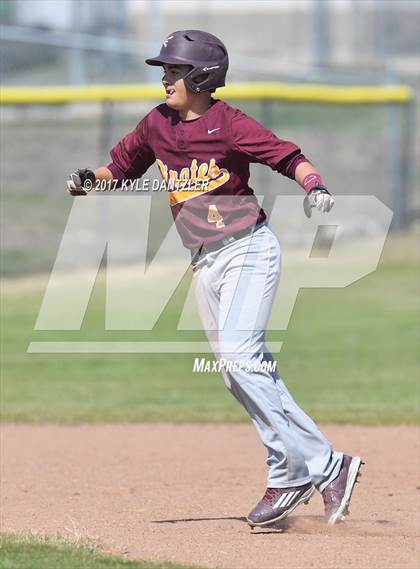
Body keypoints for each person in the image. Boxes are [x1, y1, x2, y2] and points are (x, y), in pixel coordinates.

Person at [67, 30, 362, 528]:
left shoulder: (229, 124)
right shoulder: (157, 124)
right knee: (236, 370)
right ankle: (320, 467)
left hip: (247, 248)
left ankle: (301, 472)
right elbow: (122, 166)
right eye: (164, 71)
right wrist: (91, 179)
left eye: (174, 71)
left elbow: (286, 155)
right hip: (204, 261)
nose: (164, 79)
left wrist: (314, 185)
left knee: (242, 359)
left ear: (201, 76)